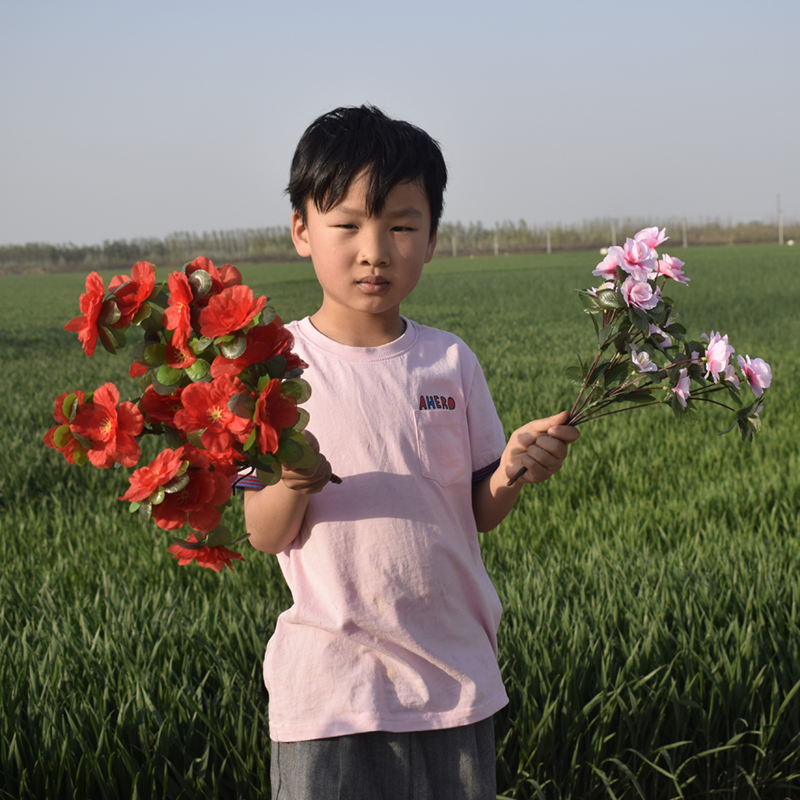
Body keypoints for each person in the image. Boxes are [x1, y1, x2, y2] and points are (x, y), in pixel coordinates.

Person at [240, 105, 579, 800]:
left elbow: (478, 511)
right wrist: (299, 479)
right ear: (302, 230)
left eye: (401, 225)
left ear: (430, 238)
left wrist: (512, 468)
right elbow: (263, 532)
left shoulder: (449, 361)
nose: (376, 250)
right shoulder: (271, 367)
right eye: (348, 224)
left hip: (454, 680)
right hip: (330, 691)